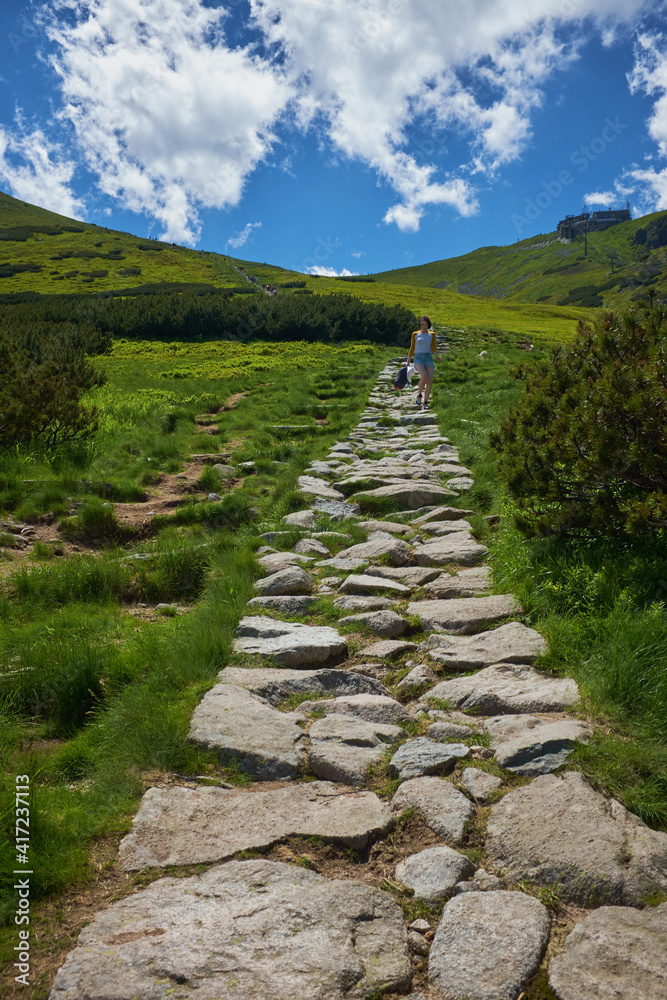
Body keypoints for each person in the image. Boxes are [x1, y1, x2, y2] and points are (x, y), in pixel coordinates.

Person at [407, 315, 439, 408]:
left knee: (429, 380)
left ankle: (425, 402)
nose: (423, 327)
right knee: (424, 375)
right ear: (419, 325)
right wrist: (408, 361)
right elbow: (412, 347)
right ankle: (419, 394)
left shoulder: (432, 334)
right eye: (422, 324)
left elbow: (433, 347)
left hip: (428, 357)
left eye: (425, 325)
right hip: (418, 358)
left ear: (428, 325)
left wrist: (436, 356)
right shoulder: (415, 334)